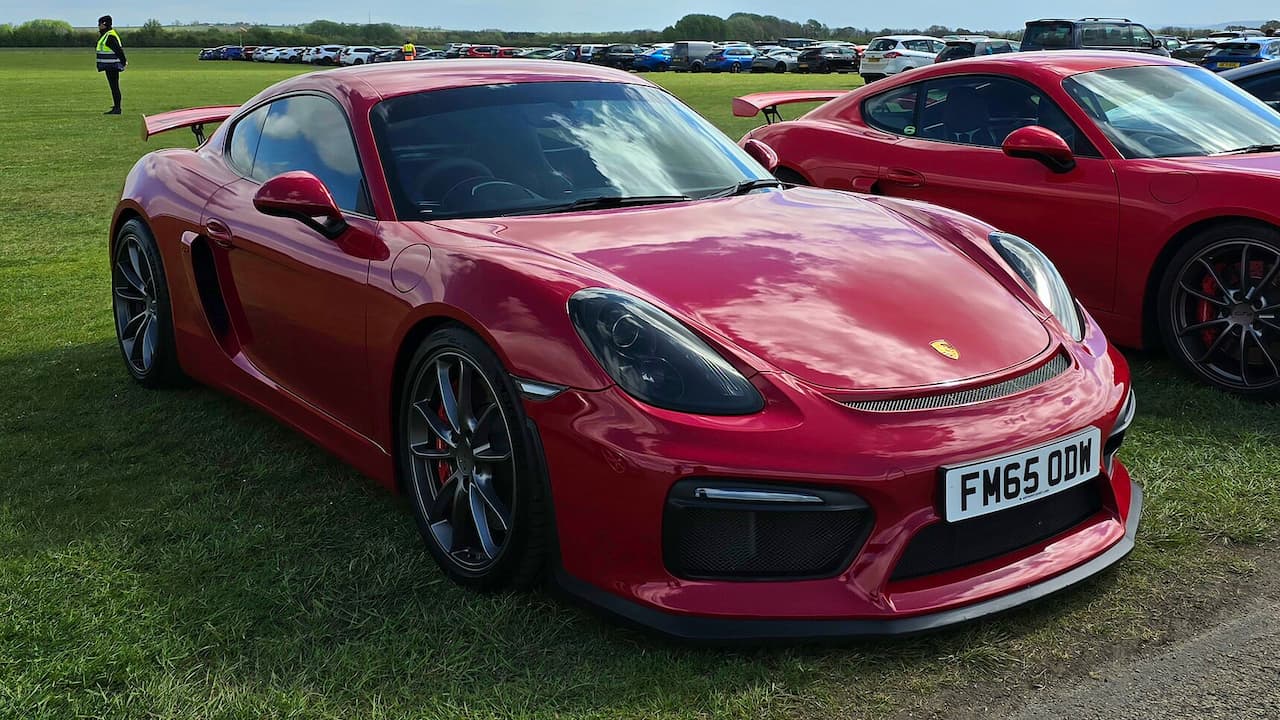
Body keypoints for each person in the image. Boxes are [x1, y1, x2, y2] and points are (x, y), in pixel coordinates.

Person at [96, 15, 127, 115]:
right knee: (114, 86)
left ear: (104, 24)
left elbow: (118, 50)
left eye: (100, 23)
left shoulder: (109, 36)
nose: (98, 25)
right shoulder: (107, 34)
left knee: (114, 86)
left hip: (112, 66)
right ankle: (116, 106)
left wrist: (124, 61)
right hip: (109, 65)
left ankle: (117, 108)